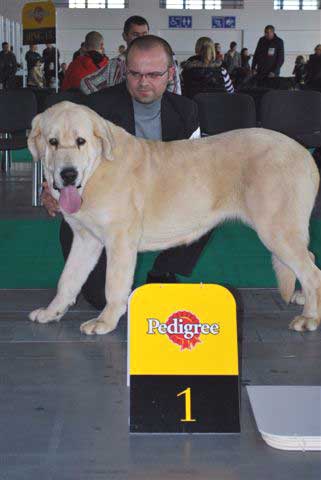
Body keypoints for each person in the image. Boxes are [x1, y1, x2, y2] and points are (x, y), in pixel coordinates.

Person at [42, 35, 212, 310]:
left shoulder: (186, 111)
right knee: (101, 299)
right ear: (125, 71)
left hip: (160, 203)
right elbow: (61, 153)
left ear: (170, 74)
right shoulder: (95, 109)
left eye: (154, 74)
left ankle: (163, 271)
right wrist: (51, 188)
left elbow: (197, 171)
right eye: (135, 74)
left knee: (210, 202)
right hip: (101, 213)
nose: (143, 82)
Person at [80, 15, 181, 95]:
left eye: (144, 34)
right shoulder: (116, 64)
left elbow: (175, 93)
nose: (141, 38)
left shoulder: (165, 59)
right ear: (125, 36)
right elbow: (87, 83)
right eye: (135, 35)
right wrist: (104, 103)